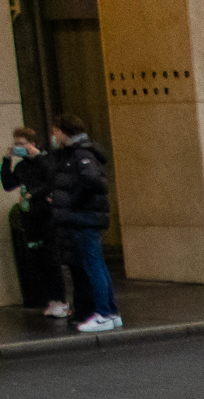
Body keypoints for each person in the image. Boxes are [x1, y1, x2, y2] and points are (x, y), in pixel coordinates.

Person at [46, 114, 119, 332]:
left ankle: (104, 313)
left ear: (62, 131)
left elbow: (91, 181)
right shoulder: (78, 153)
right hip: (87, 217)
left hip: (84, 219)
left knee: (92, 264)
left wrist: (71, 203)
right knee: (97, 263)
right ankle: (111, 312)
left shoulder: (81, 154)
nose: (53, 136)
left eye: (55, 131)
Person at [0, 126, 66, 319]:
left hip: (47, 216)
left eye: (22, 144)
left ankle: (60, 299)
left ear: (32, 143)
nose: (19, 147)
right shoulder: (21, 167)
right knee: (37, 259)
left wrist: (33, 193)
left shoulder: (45, 160)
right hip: (29, 217)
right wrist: (6, 160)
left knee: (51, 258)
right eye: (16, 144)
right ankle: (51, 299)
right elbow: (8, 184)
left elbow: (52, 178)